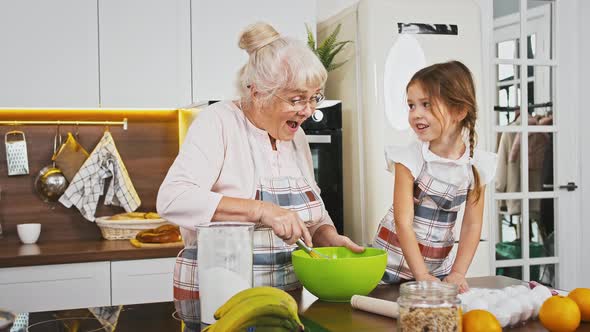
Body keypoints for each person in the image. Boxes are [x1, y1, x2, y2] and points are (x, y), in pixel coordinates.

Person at [157, 22, 363, 302]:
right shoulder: (218, 122)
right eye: (296, 99)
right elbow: (173, 199)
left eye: (314, 97)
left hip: (285, 299)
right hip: (221, 299)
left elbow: (312, 218)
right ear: (257, 93)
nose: (308, 110)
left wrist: (329, 237)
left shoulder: (296, 136)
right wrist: (261, 210)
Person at [372, 61, 497, 292]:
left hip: (436, 270)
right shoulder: (409, 159)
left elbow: (472, 224)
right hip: (387, 268)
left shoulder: (477, 165)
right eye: (411, 105)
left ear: (459, 111)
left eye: (426, 104)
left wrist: (457, 272)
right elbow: (403, 222)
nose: (415, 114)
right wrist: (420, 274)